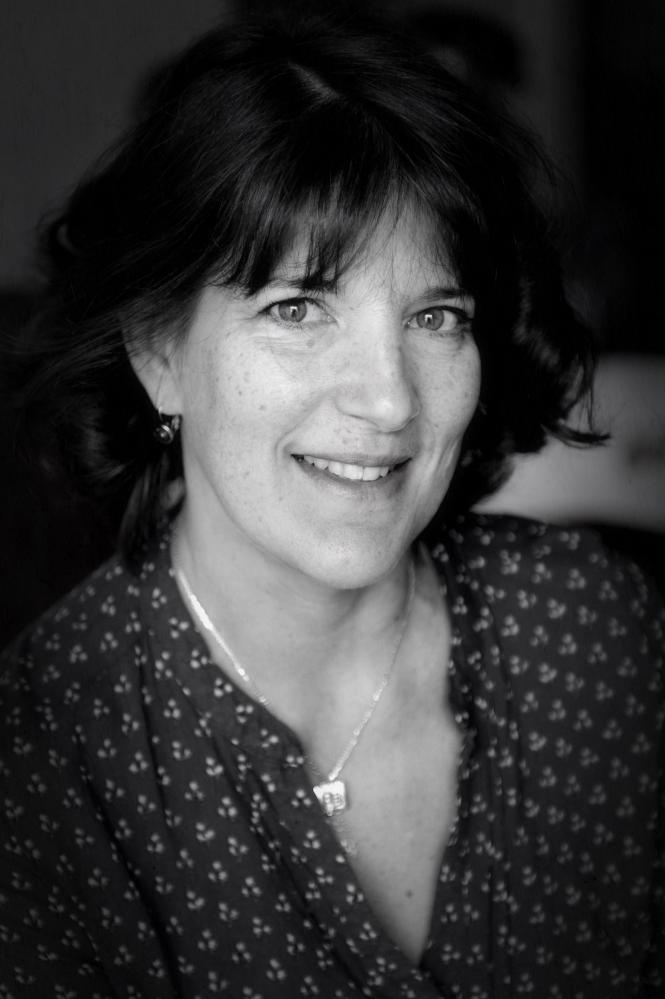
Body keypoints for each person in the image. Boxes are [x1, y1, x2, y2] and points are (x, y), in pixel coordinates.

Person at [1, 9, 663, 998]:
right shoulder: (45, 757)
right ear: (158, 352)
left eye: (434, 316)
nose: (389, 400)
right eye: (297, 308)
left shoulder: (587, 631)